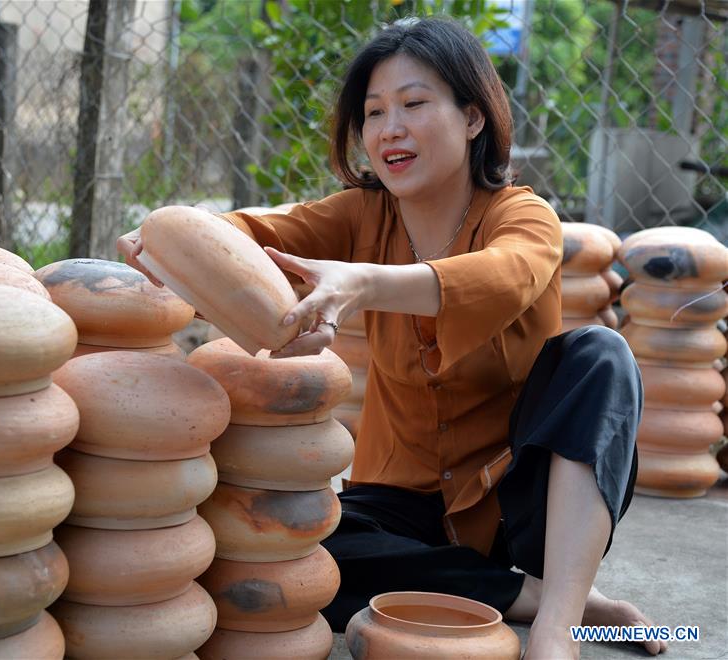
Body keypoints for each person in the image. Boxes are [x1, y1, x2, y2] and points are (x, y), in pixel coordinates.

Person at [119, 17, 665, 659]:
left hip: (519, 505)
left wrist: (365, 283)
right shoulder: (360, 214)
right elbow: (251, 232)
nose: (389, 129)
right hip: (397, 508)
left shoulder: (522, 215)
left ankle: (560, 626)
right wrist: (168, 241)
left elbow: (504, 275)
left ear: (473, 117)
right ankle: (528, 596)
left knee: (601, 356)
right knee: (290, 552)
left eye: (413, 104)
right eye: (374, 112)